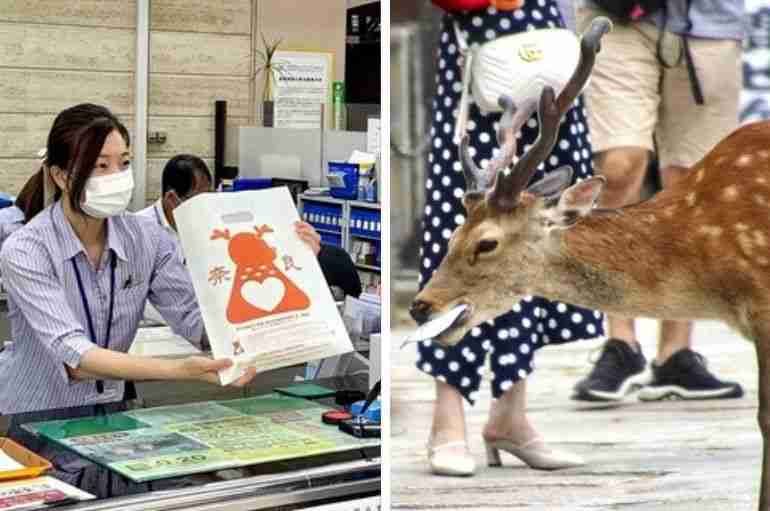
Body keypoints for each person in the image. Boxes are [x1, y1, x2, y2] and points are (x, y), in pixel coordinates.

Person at [0, 104, 314, 414]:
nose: (117, 177)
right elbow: (76, 359)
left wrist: (293, 264)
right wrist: (181, 371)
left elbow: (196, 320)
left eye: (124, 163)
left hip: (111, 412)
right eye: (101, 166)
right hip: (34, 415)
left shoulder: (147, 239)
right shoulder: (27, 250)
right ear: (61, 176)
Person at [417, 0, 604, 476]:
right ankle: (447, 423)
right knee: (465, 237)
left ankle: (511, 416)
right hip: (482, 66)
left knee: (537, 239)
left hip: (554, 68)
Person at [572, 0, 745, 402]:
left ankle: (676, 353)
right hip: (615, 14)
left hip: (709, 21)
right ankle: (620, 342)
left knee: (692, 183)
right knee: (618, 167)